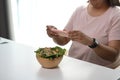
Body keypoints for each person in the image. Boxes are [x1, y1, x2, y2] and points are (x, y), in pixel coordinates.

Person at [46, 0, 120, 69]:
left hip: (101, 71)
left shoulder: (116, 15)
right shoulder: (80, 10)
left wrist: (91, 42)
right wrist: (55, 34)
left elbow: (113, 56)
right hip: (74, 66)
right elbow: (63, 40)